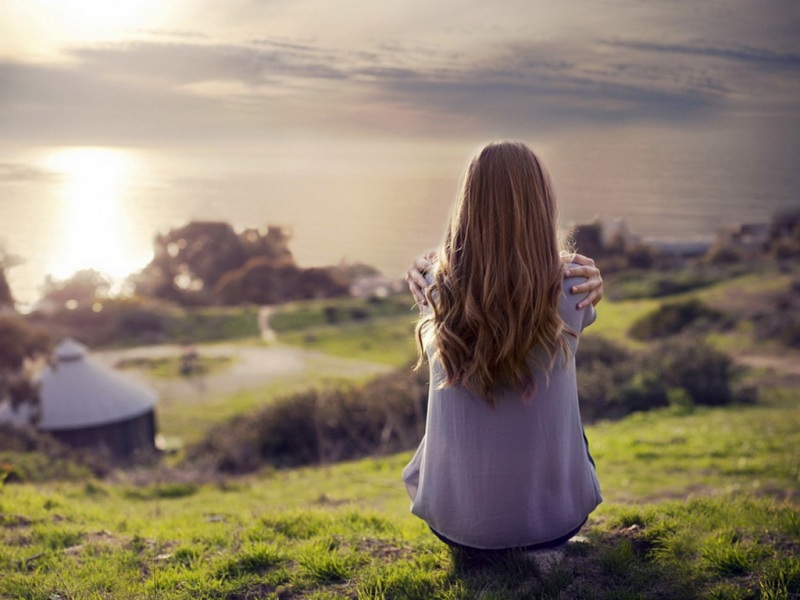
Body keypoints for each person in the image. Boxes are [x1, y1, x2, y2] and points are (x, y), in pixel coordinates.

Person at [402, 141, 603, 555]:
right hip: (552, 527)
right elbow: (575, 299)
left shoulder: (435, 289)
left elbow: (446, 270)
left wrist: (423, 268)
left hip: (454, 525)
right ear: (542, 205)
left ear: (466, 207)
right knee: (572, 429)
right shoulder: (572, 287)